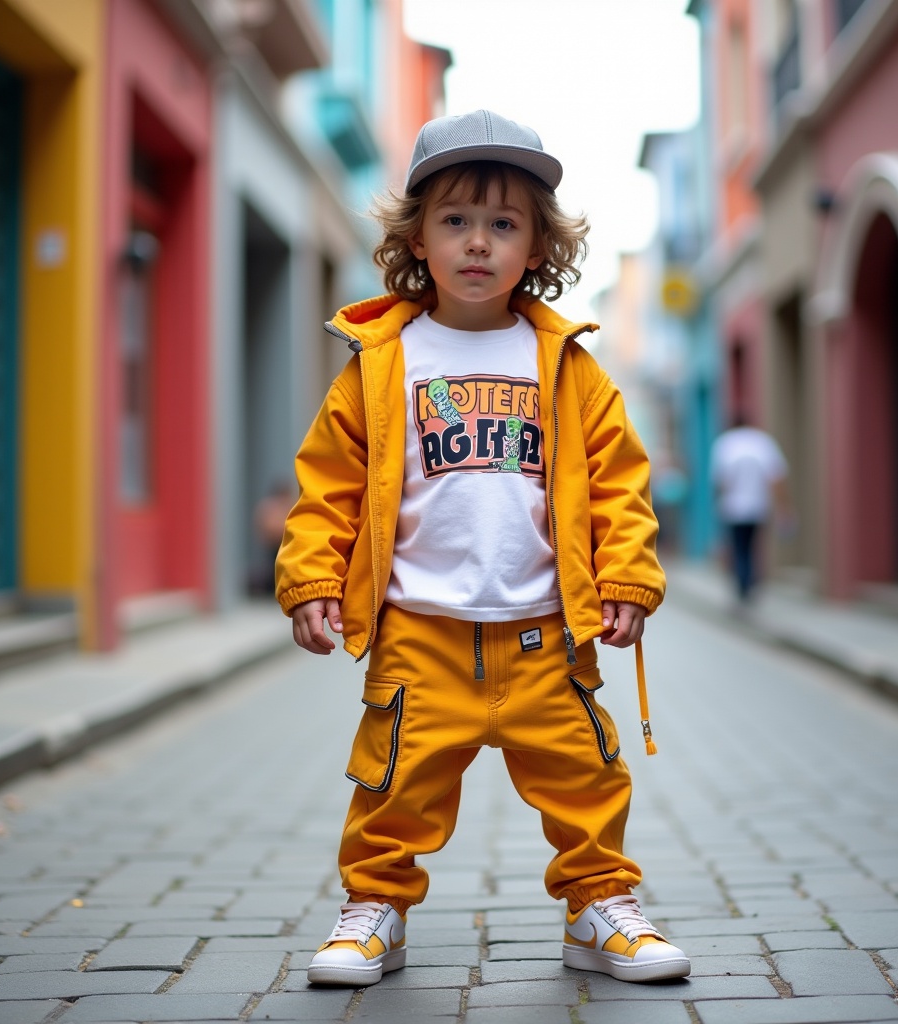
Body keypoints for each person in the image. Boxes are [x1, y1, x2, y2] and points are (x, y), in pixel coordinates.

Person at [275, 109, 690, 988]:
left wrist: (625, 574)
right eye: (455, 221)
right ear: (416, 239)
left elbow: (620, 482)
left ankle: (599, 906)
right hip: (419, 631)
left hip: (547, 629)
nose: (477, 242)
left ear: (538, 247)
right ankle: (374, 909)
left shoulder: (567, 365)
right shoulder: (383, 362)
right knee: (392, 786)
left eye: (504, 224)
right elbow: (330, 484)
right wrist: (312, 574)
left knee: (587, 779)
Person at [710, 413, 791, 603]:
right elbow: (776, 477)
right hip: (757, 506)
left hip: (733, 508)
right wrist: (783, 506)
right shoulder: (762, 442)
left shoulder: (725, 444)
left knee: (739, 548)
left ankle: (742, 586)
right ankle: (749, 583)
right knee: (753, 546)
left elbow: (720, 480)